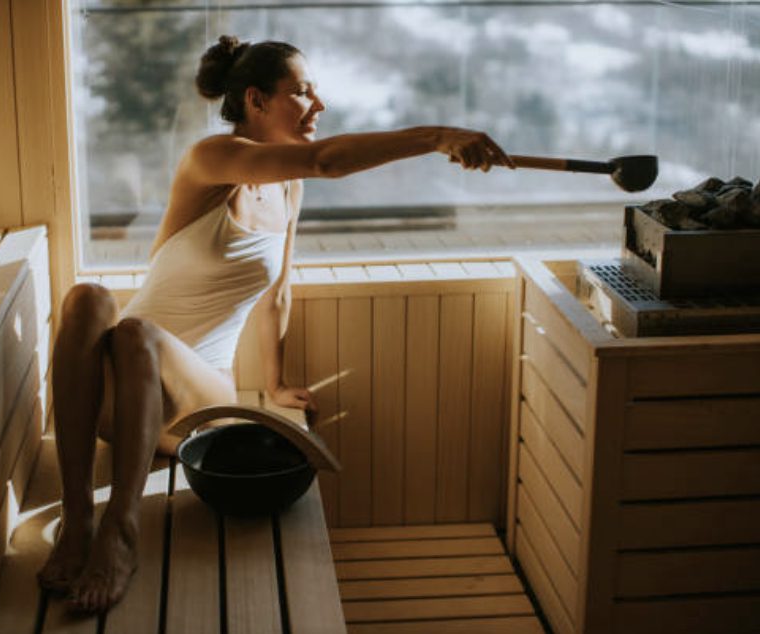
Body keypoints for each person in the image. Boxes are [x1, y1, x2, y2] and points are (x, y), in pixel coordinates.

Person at [37, 34, 515, 613]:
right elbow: (326, 160)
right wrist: (437, 136)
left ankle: (121, 530)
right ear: (257, 101)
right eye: (303, 93)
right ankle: (78, 518)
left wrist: (277, 379)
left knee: (137, 333)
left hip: (196, 402)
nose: (319, 106)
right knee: (88, 298)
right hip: (120, 400)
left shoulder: (287, 189)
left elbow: (278, 291)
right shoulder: (210, 159)